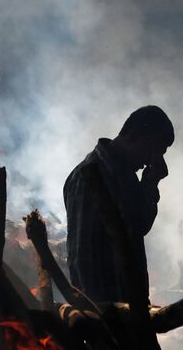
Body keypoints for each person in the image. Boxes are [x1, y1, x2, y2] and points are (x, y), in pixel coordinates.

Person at [63, 105, 174, 303]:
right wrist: (102, 318)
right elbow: (82, 258)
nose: (152, 161)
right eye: (154, 151)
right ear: (137, 136)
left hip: (129, 306)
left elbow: (138, 227)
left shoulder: (124, 174)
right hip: (109, 313)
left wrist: (150, 183)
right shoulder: (89, 176)